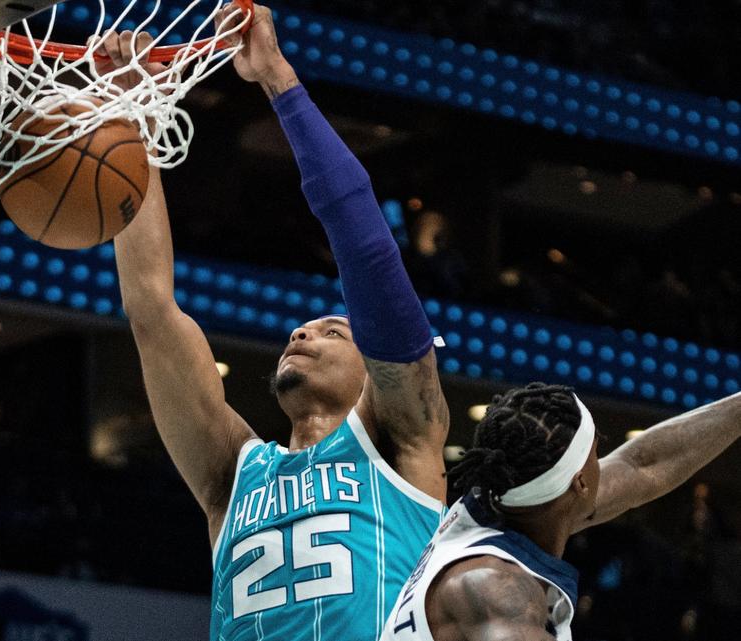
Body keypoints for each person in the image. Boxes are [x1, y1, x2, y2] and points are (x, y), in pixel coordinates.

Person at [103, 4, 449, 639]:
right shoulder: (232, 474)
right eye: (305, 329)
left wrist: (277, 81)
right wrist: (132, 122)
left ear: (373, 364)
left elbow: (367, 249)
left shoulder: (400, 442)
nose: (301, 332)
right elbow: (150, 308)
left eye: (331, 330)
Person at [381, 384, 741, 641]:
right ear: (581, 484)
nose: (605, 462)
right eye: (596, 450)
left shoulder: (504, 502)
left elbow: (642, 465)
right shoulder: (496, 591)